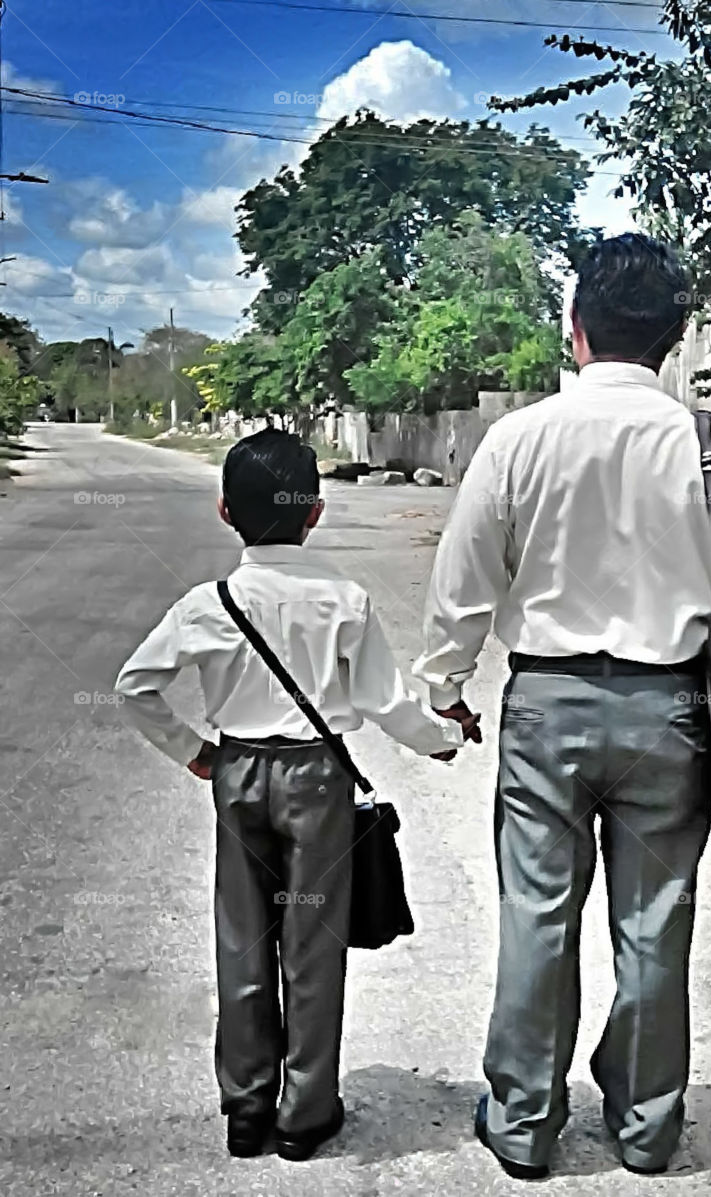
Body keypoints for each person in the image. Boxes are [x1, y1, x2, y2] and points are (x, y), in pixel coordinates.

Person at [415, 233, 711, 1179]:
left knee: (537, 914)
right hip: (672, 714)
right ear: (673, 335)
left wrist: (445, 690)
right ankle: (647, 1128)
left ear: (574, 326)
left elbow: (463, 582)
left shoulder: (518, 438)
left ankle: (523, 1122)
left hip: (548, 707)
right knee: (656, 920)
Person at [115, 428, 475, 1162]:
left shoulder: (206, 603)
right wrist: (441, 740)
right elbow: (383, 700)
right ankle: (304, 1114)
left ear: (224, 510)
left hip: (239, 774)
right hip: (317, 780)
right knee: (313, 944)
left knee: (242, 937)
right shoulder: (343, 600)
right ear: (315, 512)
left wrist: (193, 750)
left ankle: (246, 1106)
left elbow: (134, 686)